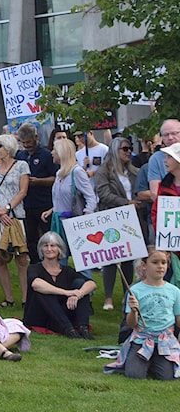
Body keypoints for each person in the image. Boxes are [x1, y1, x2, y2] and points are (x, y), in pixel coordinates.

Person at [104, 248, 180, 380]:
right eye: (155, 262)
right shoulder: (135, 290)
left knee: (167, 377)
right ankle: (140, 361)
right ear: (144, 266)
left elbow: (178, 320)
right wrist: (134, 310)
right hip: (142, 340)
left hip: (165, 341)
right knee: (134, 375)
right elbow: (130, 323)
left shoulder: (174, 291)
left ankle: (153, 362)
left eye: (163, 262)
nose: (160, 266)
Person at [23, 232, 97, 339]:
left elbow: (91, 284)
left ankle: (83, 328)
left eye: (53, 246)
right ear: (41, 249)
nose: (49, 249)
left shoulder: (67, 270)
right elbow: (36, 284)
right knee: (44, 290)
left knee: (80, 284)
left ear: (59, 249)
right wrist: (67, 292)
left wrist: (77, 294)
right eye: (45, 246)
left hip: (62, 313)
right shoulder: (34, 268)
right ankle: (69, 329)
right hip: (41, 315)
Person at [0, 134, 30, 307]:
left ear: (9, 148)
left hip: (16, 215)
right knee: (0, 257)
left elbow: (23, 190)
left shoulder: (21, 166)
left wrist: (8, 208)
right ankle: (8, 298)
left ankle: (26, 299)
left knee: (21, 257)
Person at [94, 136, 139, 311]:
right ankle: (108, 298)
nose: (129, 152)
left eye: (130, 148)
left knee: (128, 257)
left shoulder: (134, 171)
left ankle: (127, 294)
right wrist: (126, 203)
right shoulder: (103, 171)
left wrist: (136, 202)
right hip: (111, 218)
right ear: (115, 151)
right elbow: (103, 194)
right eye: (125, 149)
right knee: (111, 258)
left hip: (132, 219)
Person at [42, 138, 97, 255]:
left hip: (72, 222)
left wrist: (85, 217)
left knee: (81, 258)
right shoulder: (59, 173)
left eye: (54, 150)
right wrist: (52, 210)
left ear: (62, 152)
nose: (51, 153)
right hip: (57, 221)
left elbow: (91, 197)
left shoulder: (77, 172)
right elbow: (61, 197)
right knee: (59, 258)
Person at [15, 122, 58, 266]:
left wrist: (38, 181)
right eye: (23, 142)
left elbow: (55, 178)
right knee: (30, 238)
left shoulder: (46, 155)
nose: (26, 145)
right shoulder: (20, 155)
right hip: (26, 204)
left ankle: (51, 262)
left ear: (36, 137)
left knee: (47, 237)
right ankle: (34, 264)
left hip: (44, 203)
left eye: (29, 142)